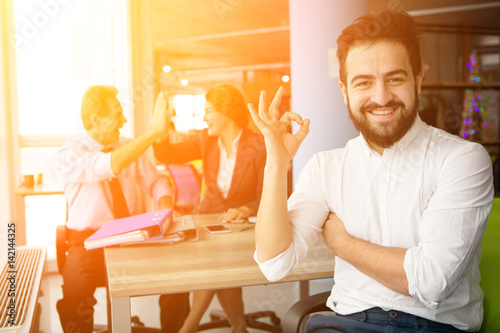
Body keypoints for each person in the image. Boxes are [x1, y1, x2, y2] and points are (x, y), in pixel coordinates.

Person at [249, 10, 494, 333]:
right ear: (344, 90)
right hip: (347, 323)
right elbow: (274, 263)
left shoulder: (462, 159)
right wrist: (277, 164)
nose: (381, 97)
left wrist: (344, 245)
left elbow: (431, 282)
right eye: (364, 82)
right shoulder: (327, 167)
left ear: (418, 79)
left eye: (395, 78)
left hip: (436, 327)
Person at [56, 85, 174, 332]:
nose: (124, 119)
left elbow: (157, 181)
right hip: (88, 243)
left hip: (133, 238)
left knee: (175, 281)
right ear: (96, 119)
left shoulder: (129, 146)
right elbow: (106, 165)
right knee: (75, 299)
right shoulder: (69, 153)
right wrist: (153, 132)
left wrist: (165, 207)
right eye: (117, 113)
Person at [154, 84, 266, 333]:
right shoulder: (208, 139)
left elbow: (270, 195)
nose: (204, 117)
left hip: (242, 227)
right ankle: (239, 328)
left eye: (209, 111)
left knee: (217, 263)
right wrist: (159, 132)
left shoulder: (259, 146)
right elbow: (169, 155)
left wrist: (246, 210)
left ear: (226, 111)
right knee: (216, 264)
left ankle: (189, 327)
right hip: (208, 219)